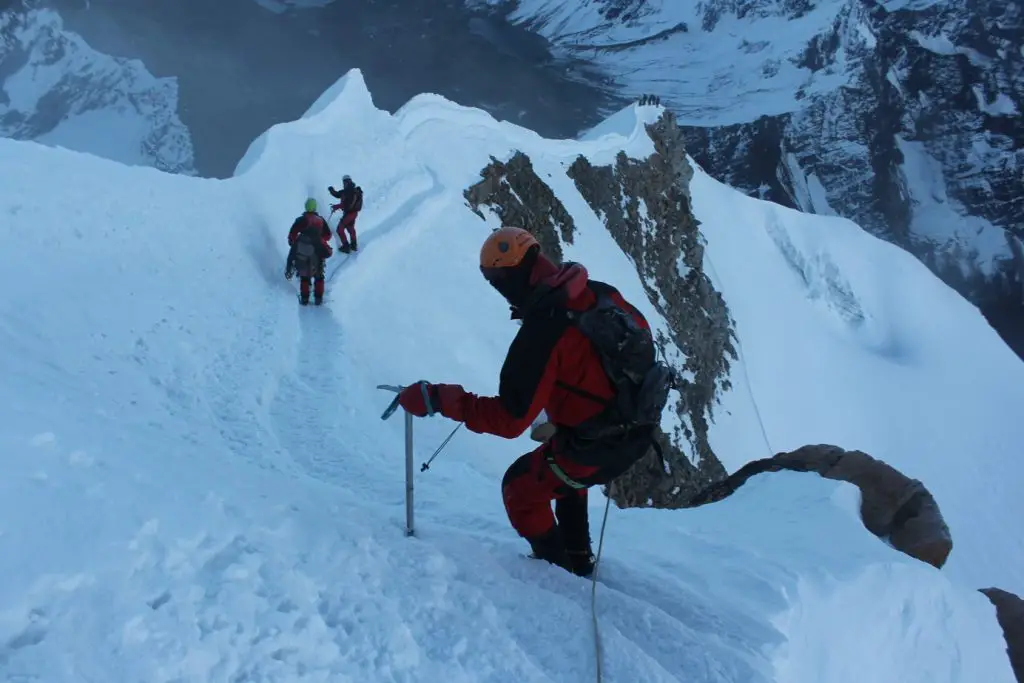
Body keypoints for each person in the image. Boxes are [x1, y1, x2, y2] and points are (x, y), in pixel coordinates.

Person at [396, 226, 667, 577]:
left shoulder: (543, 332)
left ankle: (560, 571)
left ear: (510, 280)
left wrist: (436, 399)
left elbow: (509, 420)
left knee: (520, 490)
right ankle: (579, 558)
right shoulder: (599, 293)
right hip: (635, 427)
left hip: (597, 445)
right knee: (561, 470)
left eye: (497, 282)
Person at [286, 198, 333, 305]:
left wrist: (295, 243)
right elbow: (328, 235)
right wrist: (319, 239)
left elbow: (292, 235)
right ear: (315, 207)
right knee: (319, 275)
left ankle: (305, 299)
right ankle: (318, 298)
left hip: (302, 251)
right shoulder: (320, 220)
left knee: (304, 276)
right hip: (318, 251)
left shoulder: (300, 220)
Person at [328, 175, 363, 253]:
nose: (343, 184)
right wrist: (331, 190)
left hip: (350, 213)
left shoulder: (350, 191)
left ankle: (346, 246)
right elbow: (338, 194)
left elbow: (347, 204)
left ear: (347, 182)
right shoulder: (348, 190)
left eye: (344, 182)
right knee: (350, 228)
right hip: (352, 213)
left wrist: (336, 206)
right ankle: (353, 245)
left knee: (340, 229)